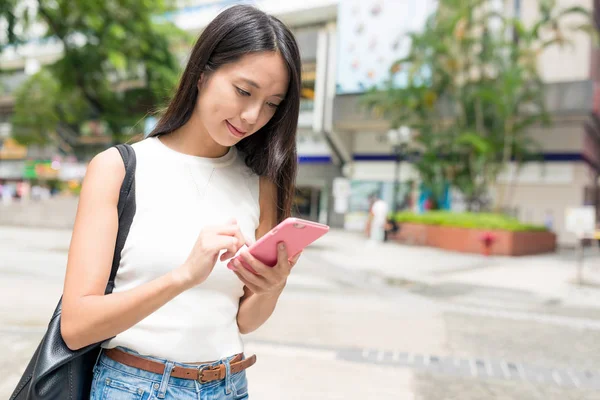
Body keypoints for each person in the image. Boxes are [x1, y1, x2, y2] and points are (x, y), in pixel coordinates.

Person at [60, 5, 302, 399]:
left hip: (228, 385)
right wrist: (182, 277)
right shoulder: (119, 169)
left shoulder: (261, 184)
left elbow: (244, 321)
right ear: (203, 74)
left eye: (273, 103)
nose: (254, 115)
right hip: (133, 386)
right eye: (244, 91)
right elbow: (76, 324)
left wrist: (273, 287)